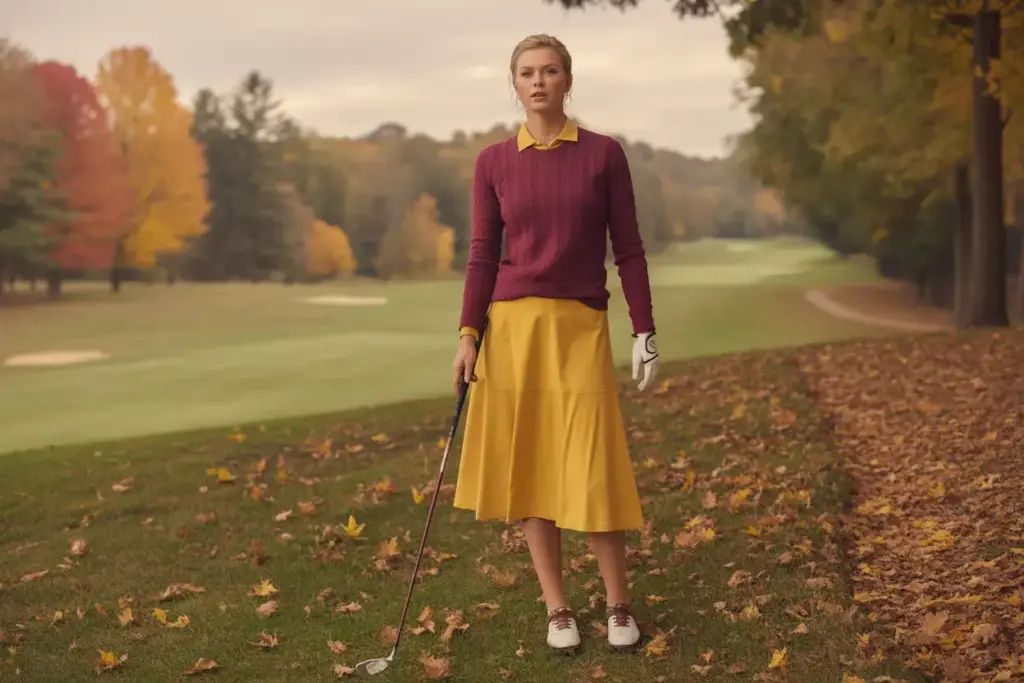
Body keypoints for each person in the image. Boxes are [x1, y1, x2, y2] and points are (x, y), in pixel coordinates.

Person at [451, 33, 660, 654]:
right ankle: (558, 608)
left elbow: (627, 248)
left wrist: (643, 327)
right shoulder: (493, 161)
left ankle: (619, 601)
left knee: (592, 465)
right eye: (526, 73)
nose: (538, 81)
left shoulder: (602, 155)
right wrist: (468, 335)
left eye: (549, 71)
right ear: (513, 84)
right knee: (532, 466)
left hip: (578, 328)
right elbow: (483, 254)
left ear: (568, 79)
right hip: (511, 331)